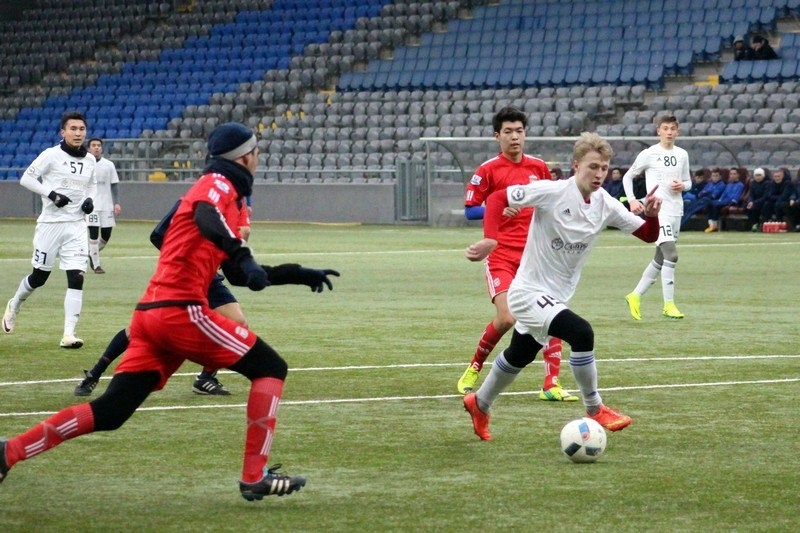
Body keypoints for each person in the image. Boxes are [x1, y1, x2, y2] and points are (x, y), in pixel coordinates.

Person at [0, 122, 340, 501]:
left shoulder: (227, 195)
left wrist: (294, 274)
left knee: (110, 412)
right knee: (271, 368)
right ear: (245, 157)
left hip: (152, 315)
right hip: (181, 311)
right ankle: (253, 476)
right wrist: (241, 252)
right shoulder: (219, 183)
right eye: (257, 152)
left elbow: (237, 274)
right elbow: (206, 215)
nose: (259, 158)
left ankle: (8, 452)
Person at [462, 132, 663, 441]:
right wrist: (491, 237)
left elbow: (648, 235)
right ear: (576, 165)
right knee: (581, 332)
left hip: (556, 296)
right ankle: (594, 408)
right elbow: (499, 198)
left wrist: (652, 215)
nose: (599, 174)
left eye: (604, 168)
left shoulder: (606, 204)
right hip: (528, 292)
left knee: (521, 353)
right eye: (593, 166)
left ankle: (480, 403)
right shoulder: (552, 191)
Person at [74, 197, 253, 397]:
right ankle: (94, 374)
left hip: (208, 278)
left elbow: (242, 233)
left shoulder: (238, 201)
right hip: (180, 276)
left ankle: (205, 378)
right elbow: (158, 235)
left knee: (238, 324)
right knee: (142, 329)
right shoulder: (197, 198)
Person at [458, 107, 575, 402]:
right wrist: (496, 208)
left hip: (536, 256)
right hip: (501, 255)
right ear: (496, 136)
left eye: (519, 131)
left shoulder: (539, 168)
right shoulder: (488, 170)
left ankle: (550, 384)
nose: (514, 137)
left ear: (525, 134)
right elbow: (470, 210)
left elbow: (552, 201)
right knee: (507, 318)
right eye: (508, 132)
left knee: (552, 313)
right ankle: (475, 366)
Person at [2, 111, 96, 348]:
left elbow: (92, 185)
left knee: (77, 276)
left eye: (81, 129)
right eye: (73, 129)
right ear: (63, 132)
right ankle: (15, 304)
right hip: (50, 226)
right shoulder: (51, 155)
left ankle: (68, 334)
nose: (78, 133)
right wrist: (51, 194)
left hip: (76, 226)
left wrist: (89, 199)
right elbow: (27, 179)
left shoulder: (90, 160)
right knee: (39, 277)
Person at [622, 114, 692, 321]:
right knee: (672, 255)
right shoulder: (649, 153)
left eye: (672, 128)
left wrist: (683, 185)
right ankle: (669, 305)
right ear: (658, 131)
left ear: (678, 131)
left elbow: (688, 182)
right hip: (658, 211)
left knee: (660, 258)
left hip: (676, 210)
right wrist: (632, 200)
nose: (669, 132)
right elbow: (628, 176)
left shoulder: (682, 154)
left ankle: (635, 295)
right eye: (665, 128)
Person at [85, 138, 121, 274]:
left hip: (106, 205)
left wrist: (116, 202)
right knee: (93, 235)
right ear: (89, 148)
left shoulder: (109, 165)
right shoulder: (85, 164)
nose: (96, 147)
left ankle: (91, 253)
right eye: (93, 145)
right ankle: (96, 265)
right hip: (92, 206)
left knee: (106, 236)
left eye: (98, 145)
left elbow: (114, 184)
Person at [705, 167, 745, 232]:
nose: (732, 175)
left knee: (715, 205)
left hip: (731, 202)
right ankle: (711, 224)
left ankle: (714, 225)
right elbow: (724, 194)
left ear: (738, 175)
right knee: (710, 203)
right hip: (723, 201)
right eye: (731, 174)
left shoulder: (740, 185)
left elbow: (737, 196)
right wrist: (719, 200)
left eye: (734, 174)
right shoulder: (729, 185)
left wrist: (732, 201)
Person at [745, 167, 772, 231]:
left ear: (763, 176)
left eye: (759, 175)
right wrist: (750, 201)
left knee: (766, 205)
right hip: (755, 202)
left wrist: (754, 202)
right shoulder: (752, 183)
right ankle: (754, 224)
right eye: (756, 175)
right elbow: (751, 195)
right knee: (747, 206)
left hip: (764, 201)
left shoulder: (768, 183)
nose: (758, 177)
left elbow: (766, 196)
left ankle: (765, 224)